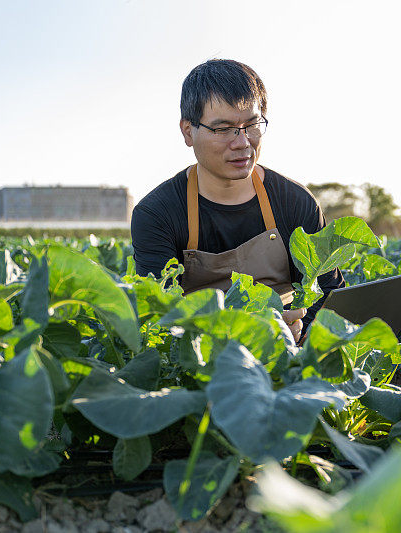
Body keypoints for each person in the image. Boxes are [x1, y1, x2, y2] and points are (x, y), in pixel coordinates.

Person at [131, 59, 344, 343]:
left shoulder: (295, 202)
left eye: (252, 124)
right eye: (223, 128)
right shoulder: (157, 214)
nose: (242, 142)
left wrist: (304, 330)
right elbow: (158, 318)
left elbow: (329, 295)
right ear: (187, 132)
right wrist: (251, 329)